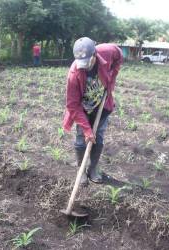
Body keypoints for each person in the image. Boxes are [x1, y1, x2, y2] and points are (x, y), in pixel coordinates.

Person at [63, 37, 123, 185]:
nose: (83, 67)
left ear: (94, 54)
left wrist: (112, 77)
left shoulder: (108, 51)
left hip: (102, 105)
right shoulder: (74, 73)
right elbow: (72, 105)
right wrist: (87, 130)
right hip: (83, 109)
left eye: (87, 62)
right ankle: (81, 170)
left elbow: (119, 56)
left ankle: (93, 168)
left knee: (99, 137)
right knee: (81, 139)